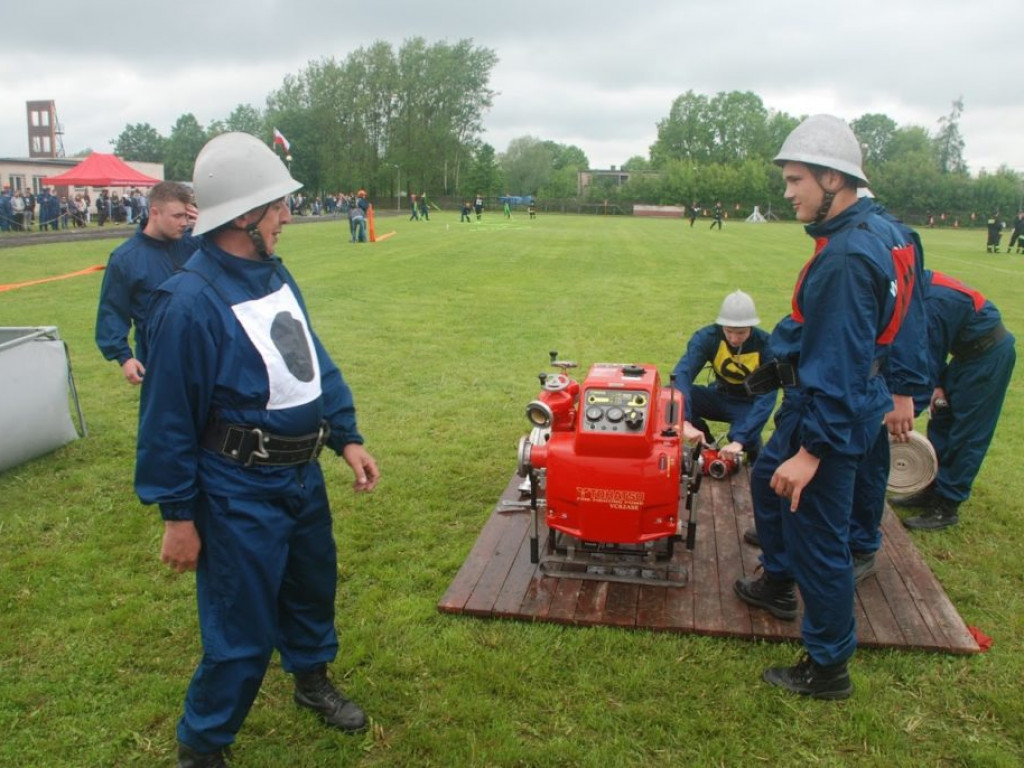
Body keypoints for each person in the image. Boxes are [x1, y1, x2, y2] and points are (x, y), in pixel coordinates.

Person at [135, 132, 380, 767]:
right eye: (277, 207)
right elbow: (165, 420)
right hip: (237, 487)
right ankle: (203, 744)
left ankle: (310, 682)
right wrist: (177, 516)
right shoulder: (187, 304)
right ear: (245, 216)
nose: (287, 218)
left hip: (301, 476)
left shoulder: (273, 271)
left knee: (310, 587)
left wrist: (345, 436)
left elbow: (309, 362)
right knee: (239, 625)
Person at [734, 115, 916, 700]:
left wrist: (812, 451)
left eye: (795, 180)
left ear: (833, 179)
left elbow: (839, 360)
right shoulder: (890, 232)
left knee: (819, 538)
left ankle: (828, 666)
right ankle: (778, 585)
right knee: (766, 478)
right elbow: (890, 324)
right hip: (846, 400)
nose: (787, 193)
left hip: (830, 411)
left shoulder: (844, 258)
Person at [892, 270, 1015, 530]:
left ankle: (946, 506)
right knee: (942, 417)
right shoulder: (913, 288)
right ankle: (931, 487)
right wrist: (939, 385)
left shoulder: (930, 303)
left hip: (987, 355)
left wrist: (903, 415)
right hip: (963, 355)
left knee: (968, 434)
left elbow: (925, 360)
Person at [95, 182, 200, 385]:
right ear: (154, 213)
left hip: (201, 349)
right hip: (158, 354)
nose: (184, 223)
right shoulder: (126, 258)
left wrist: (208, 225)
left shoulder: (194, 244)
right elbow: (112, 310)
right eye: (177, 216)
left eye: (187, 216)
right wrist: (124, 357)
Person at [670, 290, 776, 462]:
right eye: (729, 331)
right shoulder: (706, 338)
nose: (734, 339)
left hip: (747, 403)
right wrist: (684, 421)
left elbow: (767, 397)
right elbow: (682, 374)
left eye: (741, 333)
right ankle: (706, 444)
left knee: (746, 439)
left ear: (751, 326)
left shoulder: (766, 345)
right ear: (721, 326)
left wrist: (740, 440)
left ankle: (756, 462)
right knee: (671, 393)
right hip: (718, 395)